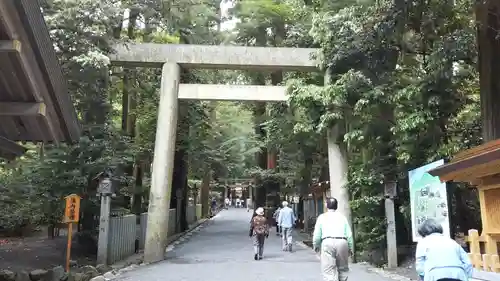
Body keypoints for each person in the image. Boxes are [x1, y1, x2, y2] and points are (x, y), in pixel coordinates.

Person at [313, 198, 353, 281]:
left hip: (327, 242)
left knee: (328, 271)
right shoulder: (342, 217)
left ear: (327, 206)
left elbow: (317, 235)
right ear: (336, 206)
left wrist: (316, 245)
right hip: (342, 242)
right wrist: (351, 247)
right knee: (343, 269)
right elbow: (349, 235)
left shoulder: (322, 217)